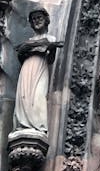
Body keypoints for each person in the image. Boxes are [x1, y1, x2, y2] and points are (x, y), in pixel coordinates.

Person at [12, 8, 62, 136]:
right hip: (27, 68)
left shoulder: (50, 38)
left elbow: (50, 60)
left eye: (39, 18)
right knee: (25, 95)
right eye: (33, 19)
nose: (36, 21)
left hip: (40, 68)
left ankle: (39, 127)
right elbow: (20, 56)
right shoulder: (28, 41)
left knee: (38, 95)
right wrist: (27, 48)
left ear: (46, 20)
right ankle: (23, 125)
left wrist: (52, 49)